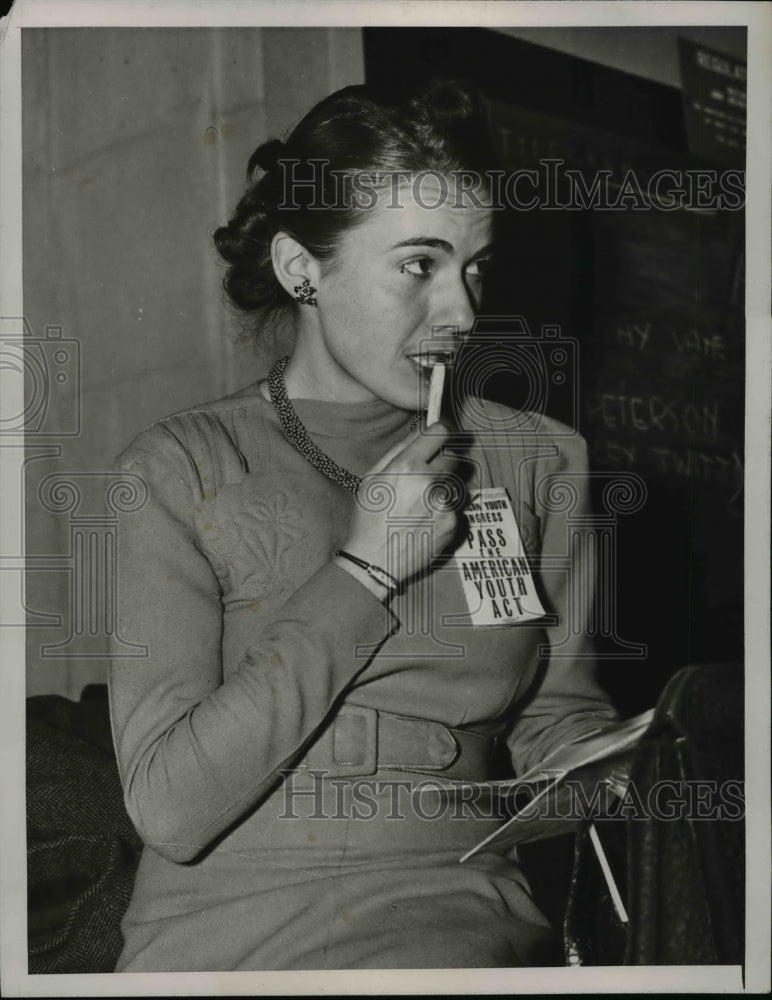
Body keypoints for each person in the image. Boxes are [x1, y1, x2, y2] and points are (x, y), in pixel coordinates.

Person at [108, 79, 618, 971]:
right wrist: (365, 571)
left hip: (473, 922)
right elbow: (170, 809)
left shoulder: (540, 459)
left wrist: (636, 770)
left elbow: (560, 738)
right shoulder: (177, 468)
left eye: (475, 267)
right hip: (237, 943)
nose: (461, 313)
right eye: (419, 266)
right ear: (304, 268)